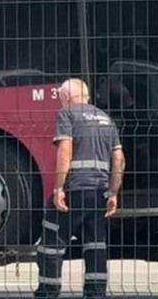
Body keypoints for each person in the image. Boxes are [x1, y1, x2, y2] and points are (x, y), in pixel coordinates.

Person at [35, 78, 125, 299]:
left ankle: (48, 291)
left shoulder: (67, 115)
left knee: (52, 243)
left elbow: (65, 152)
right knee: (95, 245)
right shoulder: (106, 119)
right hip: (99, 193)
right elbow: (119, 159)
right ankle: (95, 293)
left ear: (66, 97)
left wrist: (58, 189)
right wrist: (113, 193)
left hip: (74, 188)